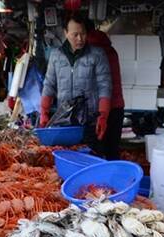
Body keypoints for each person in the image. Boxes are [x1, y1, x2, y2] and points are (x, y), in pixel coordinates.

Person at [40, 12, 112, 151]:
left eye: (83, 33)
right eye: (75, 34)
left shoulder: (97, 54)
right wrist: (44, 112)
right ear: (65, 33)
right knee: (67, 157)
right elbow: (49, 85)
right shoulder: (56, 56)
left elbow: (105, 86)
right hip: (65, 121)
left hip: (90, 121)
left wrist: (103, 116)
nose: (80, 39)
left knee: (91, 159)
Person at [86, 24, 124, 160]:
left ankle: (100, 176)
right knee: (113, 148)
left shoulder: (94, 55)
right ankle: (114, 177)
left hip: (101, 107)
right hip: (118, 106)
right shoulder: (112, 51)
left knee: (96, 149)